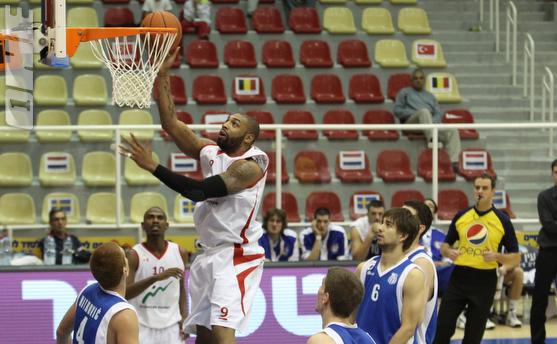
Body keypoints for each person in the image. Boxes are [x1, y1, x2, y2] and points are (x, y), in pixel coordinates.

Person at [120, 48, 268, 344]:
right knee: (203, 336)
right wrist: (162, 72)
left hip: (236, 255)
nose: (226, 124)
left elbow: (197, 191)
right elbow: (171, 124)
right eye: (227, 120)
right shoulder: (210, 152)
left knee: (224, 334)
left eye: (235, 123)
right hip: (208, 254)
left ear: (248, 138)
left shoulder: (253, 165)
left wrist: (154, 167)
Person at [433, 173, 520, 344]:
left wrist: (497, 256)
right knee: (443, 328)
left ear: (493, 191)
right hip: (459, 278)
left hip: (484, 281)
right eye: (477, 187)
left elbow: (515, 258)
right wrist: (448, 252)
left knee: (473, 336)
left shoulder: (502, 220)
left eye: (485, 188)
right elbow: (444, 246)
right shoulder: (461, 216)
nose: (480, 191)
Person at [356, 208, 427, 343]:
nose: (380, 228)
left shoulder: (412, 275)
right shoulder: (363, 268)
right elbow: (351, 314)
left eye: (388, 225)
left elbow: (408, 328)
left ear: (402, 236)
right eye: (382, 223)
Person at [126, 207, 189, 344]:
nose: (155, 220)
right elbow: (125, 293)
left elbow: (181, 289)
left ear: (166, 225)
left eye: (160, 217)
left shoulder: (179, 252)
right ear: (143, 225)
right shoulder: (134, 254)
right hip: (142, 325)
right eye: (150, 217)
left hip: (172, 326)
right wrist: (156, 278)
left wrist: (185, 317)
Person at [56, 242, 139, 344]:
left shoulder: (87, 291)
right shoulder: (124, 315)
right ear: (125, 270)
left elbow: (61, 333)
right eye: (124, 257)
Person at [393, 68, 461, 166]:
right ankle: (433, 140)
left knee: (452, 130)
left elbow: (438, 113)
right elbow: (397, 111)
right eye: (415, 78)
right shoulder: (404, 92)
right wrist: (416, 112)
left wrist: (430, 121)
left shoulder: (430, 96)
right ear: (411, 80)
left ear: (424, 80)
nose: (418, 80)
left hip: (429, 125)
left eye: (421, 78)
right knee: (424, 111)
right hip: (412, 124)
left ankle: (453, 163)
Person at [308, 267, 377, 344]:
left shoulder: (320, 340)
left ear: (325, 297)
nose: (318, 290)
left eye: (321, 285)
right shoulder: (369, 339)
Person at [402, 200, 438, 344]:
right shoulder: (394, 257)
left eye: (406, 215)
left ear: (420, 228)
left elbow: (414, 319)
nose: (399, 218)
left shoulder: (421, 263)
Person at [531, 159, 557, 343]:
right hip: (548, 252)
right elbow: (549, 226)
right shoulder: (544, 197)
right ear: (552, 174)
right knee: (540, 299)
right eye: (556, 172)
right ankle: (537, 340)